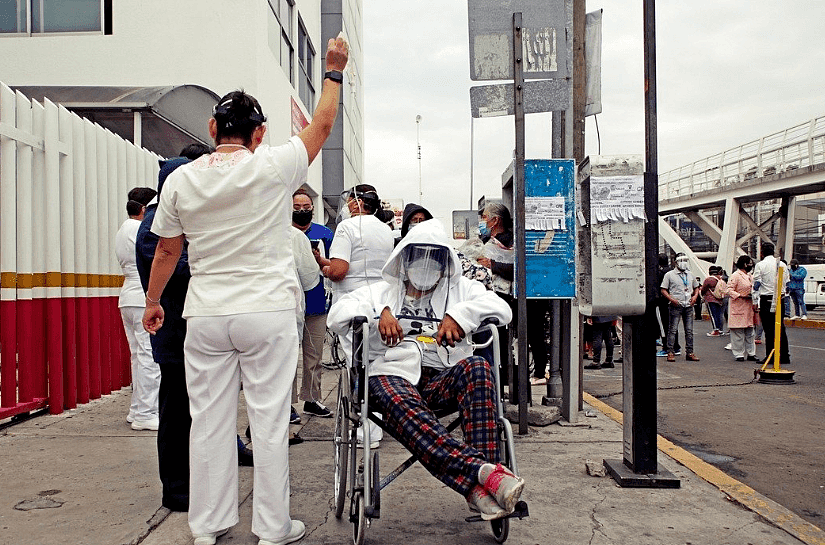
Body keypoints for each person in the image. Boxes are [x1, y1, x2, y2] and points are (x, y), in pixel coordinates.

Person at [142, 35, 349, 545]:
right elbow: (321, 125)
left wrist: (152, 301)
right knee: (270, 420)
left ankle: (208, 526)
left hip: (207, 313)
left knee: (208, 423)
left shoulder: (180, 181)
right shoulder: (273, 166)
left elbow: (168, 250)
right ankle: (274, 528)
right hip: (268, 310)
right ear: (259, 134)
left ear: (212, 129)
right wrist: (333, 70)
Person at [327, 219, 524, 521]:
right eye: (419, 255)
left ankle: (481, 484)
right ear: (404, 259)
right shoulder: (378, 292)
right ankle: (484, 479)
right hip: (391, 376)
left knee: (478, 367)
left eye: (435, 257)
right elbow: (337, 315)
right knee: (394, 392)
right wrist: (380, 314)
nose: (426, 264)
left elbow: (501, 309)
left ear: (445, 263)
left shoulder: (460, 291)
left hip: (440, 378)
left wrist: (460, 316)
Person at [474, 203, 549, 387]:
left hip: (521, 296)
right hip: (502, 296)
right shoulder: (487, 241)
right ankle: (504, 372)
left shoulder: (512, 240)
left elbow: (522, 268)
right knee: (505, 334)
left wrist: (493, 265)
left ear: (495, 220)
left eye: (485, 217)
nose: (482, 221)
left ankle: (538, 371)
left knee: (532, 332)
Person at [115, 186, 160, 431]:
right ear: (145, 209)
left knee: (137, 356)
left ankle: (137, 410)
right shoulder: (141, 228)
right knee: (149, 357)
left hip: (127, 296)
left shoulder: (123, 229)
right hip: (143, 295)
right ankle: (145, 411)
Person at [290, 189, 334, 421]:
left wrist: (321, 261)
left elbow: (336, 265)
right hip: (289, 304)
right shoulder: (281, 232)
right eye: (296, 208)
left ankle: (311, 398)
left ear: (313, 209)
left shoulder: (324, 233)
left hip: (316, 301)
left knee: (314, 354)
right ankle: (286, 403)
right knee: (286, 357)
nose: (302, 212)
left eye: (306, 207)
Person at [753, 242, 790, 364]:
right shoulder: (782, 265)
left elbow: (756, 285)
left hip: (767, 299)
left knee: (769, 330)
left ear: (761, 252)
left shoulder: (760, 265)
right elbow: (787, 283)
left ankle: (771, 356)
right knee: (781, 328)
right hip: (780, 298)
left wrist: (754, 301)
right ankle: (784, 356)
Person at [660, 253, 701, 362]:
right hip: (675, 305)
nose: (683, 263)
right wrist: (671, 299)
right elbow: (663, 289)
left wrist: (695, 296)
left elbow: (696, 287)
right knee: (672, 330)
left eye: (685, 260)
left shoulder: (690, 274)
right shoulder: (669, 275)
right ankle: (670, 352)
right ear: (676, 262)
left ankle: (690, 352)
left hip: (688, 305)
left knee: (689, 330)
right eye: (681, 260)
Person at [726, 255, 758, 362]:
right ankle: (738, 354)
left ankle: (751, 353)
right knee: (738, 333)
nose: (750, 265)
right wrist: (740, 295)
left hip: (749, 307)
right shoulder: (735, 275)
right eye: (749, 263)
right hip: (738, 305)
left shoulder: (750, 276)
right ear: (744, 264)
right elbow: (728, 290)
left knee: (750, 332)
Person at [655, 253, 680, 357]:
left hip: (662, 302)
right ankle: (676, 346)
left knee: (664, 325)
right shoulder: (673, 272)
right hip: (673, 300)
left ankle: (666, 347)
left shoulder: (659, 273)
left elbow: (658, 288)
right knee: (673, 325)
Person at [700, 266, 727, 336]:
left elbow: (703, 289)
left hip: (710, 299)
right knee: (719, 314)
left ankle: (716, 330)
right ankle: (720, 330)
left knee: (713, 315)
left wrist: (702, 295)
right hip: (719, 299)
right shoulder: (720, 279)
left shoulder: (708, 280)